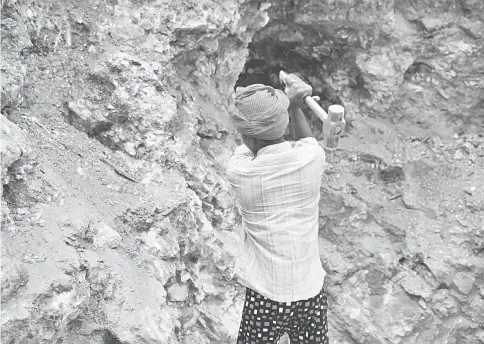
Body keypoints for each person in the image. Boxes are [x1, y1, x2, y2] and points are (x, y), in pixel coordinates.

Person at [226, 73, 329, 344]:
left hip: (267, 296)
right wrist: (295, 104)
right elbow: (307, 142)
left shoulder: (240, 171)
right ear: (283, 124)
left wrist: (282, 105)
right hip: (310, 290)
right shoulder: (313, 159)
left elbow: (248, 147)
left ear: (249, 137)